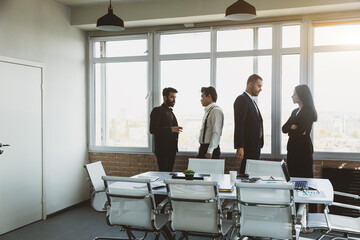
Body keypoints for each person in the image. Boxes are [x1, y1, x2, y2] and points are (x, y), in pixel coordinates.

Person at [282, 84, 317, 179]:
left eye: (294, 94)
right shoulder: (295, 111)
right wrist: (292, 127)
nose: (292, 96)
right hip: (292, 150)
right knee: (293, 178)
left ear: (301, 96)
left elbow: (300, 133)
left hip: (303, 151)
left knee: (304, 178)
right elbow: (284, 129)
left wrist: (293, 129)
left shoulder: (308, 111)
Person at [233, 74, 264, 174]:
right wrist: (240, 146)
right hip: (248, 147)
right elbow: (239, 125)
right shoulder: (242, 99)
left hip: (255, 146)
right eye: (259, 86)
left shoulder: (251, 100)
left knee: (252, 176)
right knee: (246, 176)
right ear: (250, 85)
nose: (261, 89)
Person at [150, 87, 182, 172]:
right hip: (162, 150)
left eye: (175, 97)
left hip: (171, 150)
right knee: (163, 174)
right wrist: (171, 129)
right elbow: (152, 129)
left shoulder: (170, 112)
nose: (174, 99)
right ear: (165, 97)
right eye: (172, 97)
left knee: (168, 174)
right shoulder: (157, 110)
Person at [197, 86, 224, 159]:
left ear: (209, 96)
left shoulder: (215, 111)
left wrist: (210, 151)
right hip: (204, 148)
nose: (201, 99)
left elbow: (216, 132)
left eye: (202, 97)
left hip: (210, 150)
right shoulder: (208, 111)